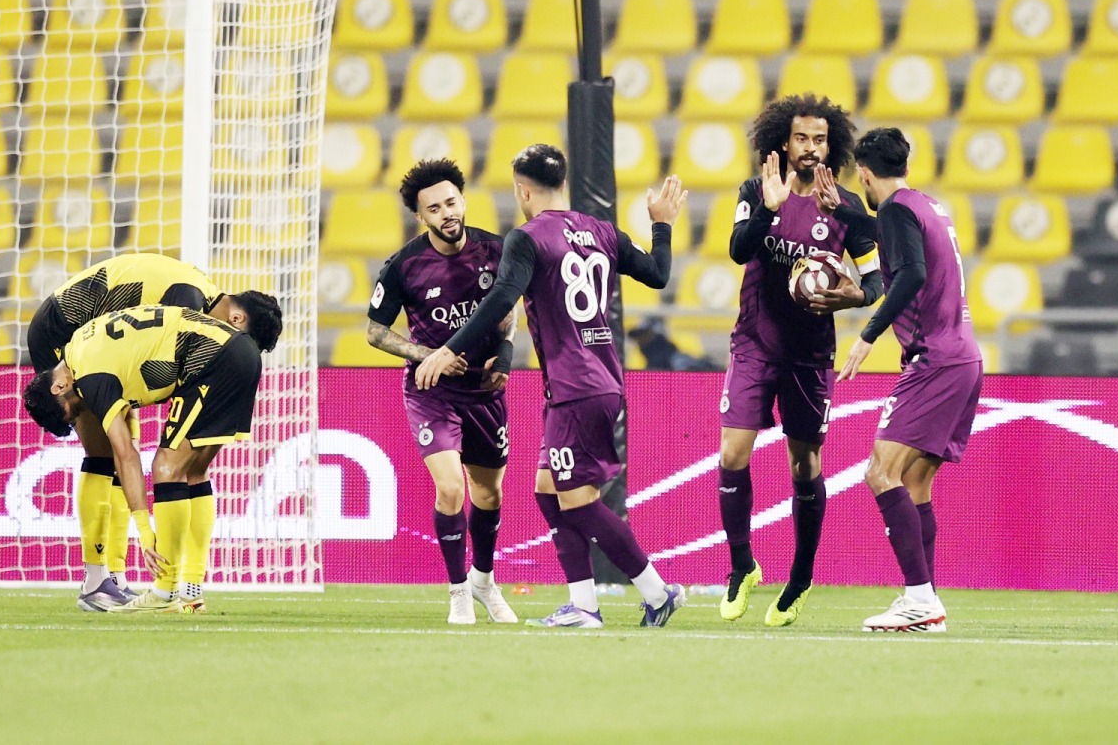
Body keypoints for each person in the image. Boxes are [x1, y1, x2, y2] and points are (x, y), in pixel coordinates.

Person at [416, 145, 688, 628]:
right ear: (563, 184)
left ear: (522, 189)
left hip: (575, 385)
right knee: (547, 489)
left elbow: (502, 297)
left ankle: (655, 589)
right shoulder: (602, 230)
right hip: (600, 380)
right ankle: (583, 605)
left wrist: (447, 349)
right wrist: (661, 224)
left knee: (577, 501)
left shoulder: (527, 237)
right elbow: (658, 273)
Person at [24, 252, 283, 612]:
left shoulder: (198, 295)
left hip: (94, 341)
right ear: (236, 318)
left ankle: (122, 578)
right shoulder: (189, 299)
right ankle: (99, 579)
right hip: (61, 330)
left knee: (128, 444)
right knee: (107, 453)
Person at [715, 94, 883, 626]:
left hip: (809, 356)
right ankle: (741, 565)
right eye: (801, 139)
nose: (811, 149)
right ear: (782, 144)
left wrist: (854, 296)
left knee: (804, 465)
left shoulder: (847, 206)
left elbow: (877, 280)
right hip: (754, 344)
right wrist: (767, 206)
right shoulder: (757, 191)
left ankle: (802, 574)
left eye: (820, 140)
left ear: (831, 144)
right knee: (732, 453)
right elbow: (739, 251)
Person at [830, 127, 983, 632]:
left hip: (933, 360)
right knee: (915, 483)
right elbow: (894, 236)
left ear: (865, 174)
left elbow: (912, 271)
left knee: (879, 471)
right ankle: (927, 602)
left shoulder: (896, 212)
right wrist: (851, 211)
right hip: (963, 356)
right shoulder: (926, 205)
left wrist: (868, 335)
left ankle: (919, 597)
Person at [368, 158, 518, 625]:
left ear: (464, 200)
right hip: (431, 390)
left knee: (488, 494)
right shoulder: (404, 266)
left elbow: (509, 309)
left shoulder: (498, 251)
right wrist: (424, 356)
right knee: (451, 488)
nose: (447, 213)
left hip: (484, 390)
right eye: (434, 208)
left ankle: (484, 582)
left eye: (452, 202)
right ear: (421, 216)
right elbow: (374, 332)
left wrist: (507, 353)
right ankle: (457, 593)